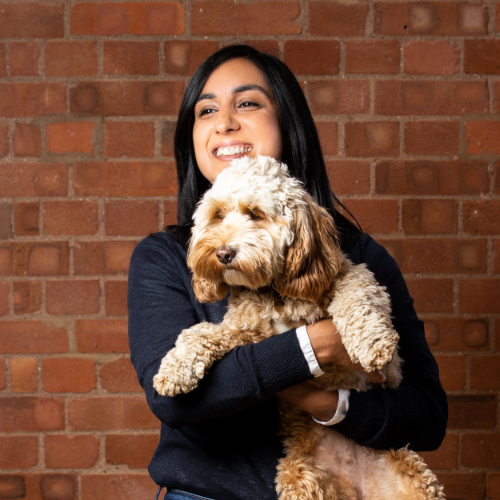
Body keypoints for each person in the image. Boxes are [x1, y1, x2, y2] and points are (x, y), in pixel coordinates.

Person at [127, 45, 447, 500]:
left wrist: (328, 404)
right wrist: (315, 347)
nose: (225, 122)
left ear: (288, 121)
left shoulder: (358, 256)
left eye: (248, 102)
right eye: (207, 110)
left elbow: (428, 418)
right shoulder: (165, 258)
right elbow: (174, 399)